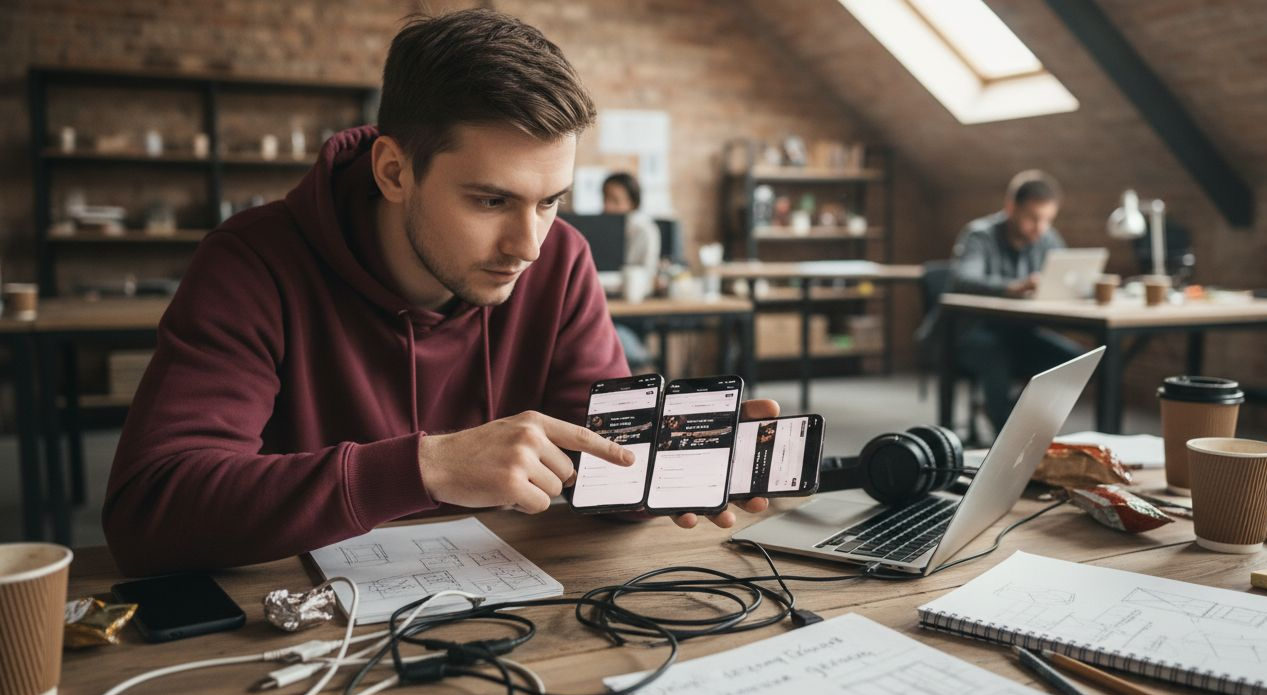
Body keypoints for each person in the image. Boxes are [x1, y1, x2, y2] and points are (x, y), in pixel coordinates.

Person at [103, 9, 777, 576]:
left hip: (507, 614)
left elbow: (593, 458)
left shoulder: (560, 259)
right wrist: (425, 466)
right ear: (395, 171)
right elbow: (150, 508)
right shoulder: (250, 263)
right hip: (296, 637)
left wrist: (662, 470)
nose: (529, 245)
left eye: (550, 202)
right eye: (491, 199)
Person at [949, 170, 1083, 431]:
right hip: (971, 333)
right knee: (996, 353)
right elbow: (962, 280)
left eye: (1047, 220)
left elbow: (1067, 277)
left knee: (1075, 361)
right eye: (1033, 218)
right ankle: (1006, 431)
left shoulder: (1047, 238)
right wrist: (1013, 288)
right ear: (1011, 208)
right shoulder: (979, 235)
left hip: (1020, 332)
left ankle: (1020, 416)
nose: (1040, 228)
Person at [601, 171, 661, 275]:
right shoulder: (600, 227)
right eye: (605, 198)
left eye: (615, 201)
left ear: (632, 203)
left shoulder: (644, 229)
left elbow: (648, 271)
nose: (607, 206)